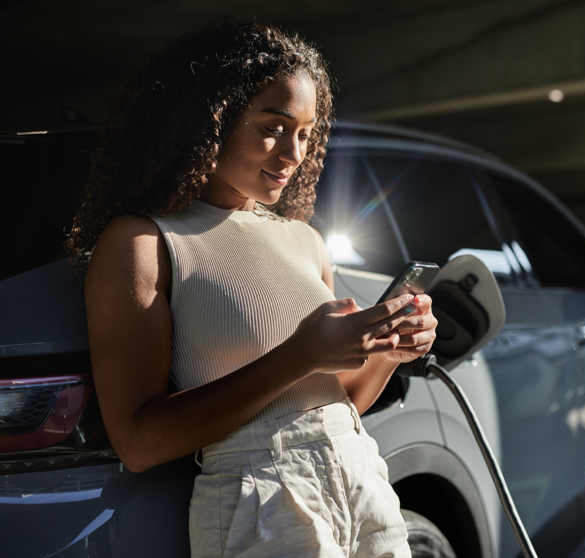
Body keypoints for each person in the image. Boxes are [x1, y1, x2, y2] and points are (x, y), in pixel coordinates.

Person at [67, 22, 437, 558]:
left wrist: (389, 352)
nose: (294, 153)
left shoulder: (306, 240)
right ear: (208, 121)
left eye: (306, 133)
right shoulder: (144, 241)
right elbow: (140, 441)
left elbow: (341, 400)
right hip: (262, 502)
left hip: (363, 482)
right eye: (272, 127)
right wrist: (303, 353)